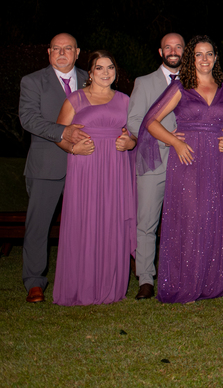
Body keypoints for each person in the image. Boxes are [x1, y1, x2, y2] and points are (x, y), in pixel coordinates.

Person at [136, 35, 223, 303]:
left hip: (217, 162)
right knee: (190, 219)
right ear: (191, 59)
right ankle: (186, 283)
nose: (204, 59)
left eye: (209, 54)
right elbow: (150, 121)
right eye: (198, 54)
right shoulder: (180, 87)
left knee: (215, 217)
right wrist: (175, 142)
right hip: (188, 159)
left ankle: (213, 282)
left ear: (216, 58)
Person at [52, 51, 137, 305]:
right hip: (85, 167)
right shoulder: (75, 99)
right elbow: (59, 134)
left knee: (113, 220)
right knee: (84, 219)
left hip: (116, 168)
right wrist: (72, 148)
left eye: (110, 67)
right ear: (90, 72)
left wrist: (130, 142)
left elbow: (135, 134)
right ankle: (81, 285)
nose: (105, 72)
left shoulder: (125, 100)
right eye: (99, 68)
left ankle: (111, 285)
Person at [18, 33, 89, 303]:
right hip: (46, 166)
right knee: (39, 226)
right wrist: (63, 132)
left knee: (85, 224)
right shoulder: (32, 81)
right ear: (48, 52)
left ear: (77, 52)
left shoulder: (91, 78)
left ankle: (82, 277)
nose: (61, 53)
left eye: (67, 48)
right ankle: (34, 281)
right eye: (56, 49)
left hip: (86, 164)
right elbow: (29, 119)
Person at [125, 32, 184, 300]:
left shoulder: (195, 82)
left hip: (186, 161)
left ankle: (180, 274)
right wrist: (167, 139)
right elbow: (134, 120)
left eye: (178, 47)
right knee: (147, 222)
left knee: (183, 221)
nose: (173, 51)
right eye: (167, 47)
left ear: (185, 51)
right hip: (153, 160)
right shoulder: (144, 82)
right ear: (160, 52)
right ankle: (146, 279)